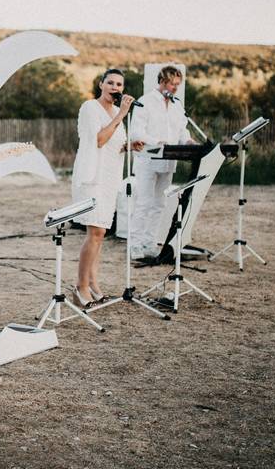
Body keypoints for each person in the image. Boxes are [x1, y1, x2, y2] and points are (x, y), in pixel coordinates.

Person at [70, 69, 137, 307]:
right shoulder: (90, 108)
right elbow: (98, 140)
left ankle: (93, 283)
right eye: (110, 82)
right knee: (95, 233)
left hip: (110, 179)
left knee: (100, 234)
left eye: (119, 84)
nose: (115, 87)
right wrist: (122, 115)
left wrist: (129, 146)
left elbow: (113, 144)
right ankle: (80, 286)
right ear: (101, 84)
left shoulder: (115, 112)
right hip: (93, 178)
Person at [128, 65, 192, 259]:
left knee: (159, 204)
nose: (175, 88)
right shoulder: (145, 102)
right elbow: (137, 131)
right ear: (162, 81)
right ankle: (135, 246)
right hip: (147, 160)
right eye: (172, 84)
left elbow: (182, 129)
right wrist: (157, 142)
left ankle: (149, 243)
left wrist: (187, 141)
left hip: (168, 161)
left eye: (177, 85)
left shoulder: (177, 104)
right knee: (144, 203)